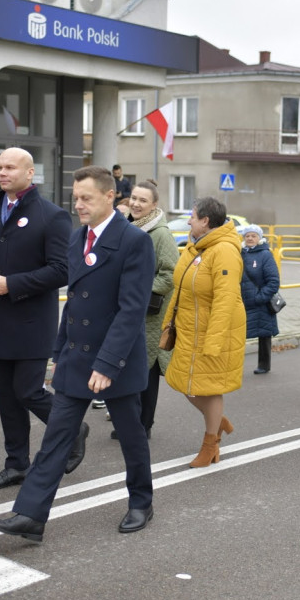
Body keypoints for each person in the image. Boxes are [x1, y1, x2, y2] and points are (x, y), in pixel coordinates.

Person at [0, 166, 156, 542]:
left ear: (111, 197)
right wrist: (59, 350)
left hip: (116, 361)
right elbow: (74, 301)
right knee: (56, 440)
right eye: (75, 197)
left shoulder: (133, 241)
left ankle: (141, 501)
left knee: (131, 436)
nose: (78, 204)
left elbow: (131, 310)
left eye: (86, 198)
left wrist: (108, 363)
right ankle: (30, 515)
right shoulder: (78, 238)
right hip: (77, 358)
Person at [0, 147, 77, 490]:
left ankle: (73, 429)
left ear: (30, 173)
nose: (2, 173)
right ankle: (16, 464)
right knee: (7, 397)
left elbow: (61, 270)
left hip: (33, 321)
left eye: (10, 167)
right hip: (1, 320)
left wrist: (11, 284)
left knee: (28, 391)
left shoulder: (52, 215)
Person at [162, 197, 246, 468]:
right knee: (185, 384)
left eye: (192, 216)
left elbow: (226, 299)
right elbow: (181, 288)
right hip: (188, 329)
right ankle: (217, 420)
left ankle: (211, 445)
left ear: (205, 220)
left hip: (210, 332)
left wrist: (214, 340)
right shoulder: (196, 246)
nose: (188, 221)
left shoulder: (224, 251)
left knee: (206, 388)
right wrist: (168, 323)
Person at [109, 179, 180, 440]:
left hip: (149, 314)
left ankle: (143, 426)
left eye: (143, 200)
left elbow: (172, 274)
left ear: (154, 205)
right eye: (134, 198)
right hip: (127, 310)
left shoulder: (159, 233)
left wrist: (137, 289)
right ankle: (131, 422)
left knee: (146, 371)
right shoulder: (128, 227)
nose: (137, 204)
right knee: (129, 368)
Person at [238, 224, 280, 375]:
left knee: (264, 334)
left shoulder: (265, 255)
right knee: (237, 334)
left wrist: (259, 298)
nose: (250, 238)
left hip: (260, 303)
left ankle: (264, 364)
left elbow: (274, 281)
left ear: (259, 238)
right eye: (247, 235)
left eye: (253, 236)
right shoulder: (239, 253)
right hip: (242, 302)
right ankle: (234, 365)